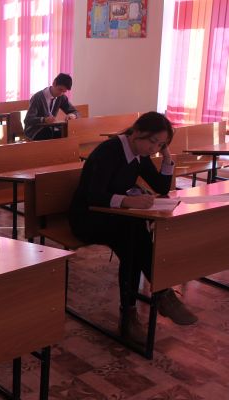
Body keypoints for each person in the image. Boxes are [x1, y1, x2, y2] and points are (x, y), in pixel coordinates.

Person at [68, 111, 198, 344]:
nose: (154, 148)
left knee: (132, 239)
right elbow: (93, 196)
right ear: (137, 132)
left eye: (160, 145)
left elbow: (161, 187)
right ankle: (160, 295)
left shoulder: (139, 153)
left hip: (115, 218)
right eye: (153, 141)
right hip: (87, 218)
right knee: (133, 234)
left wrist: (167, 157)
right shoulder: (109, 151)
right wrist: (128, 201)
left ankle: (131, 314)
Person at [24, 73, 79, 141]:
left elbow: (75, 112)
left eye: (64, 91)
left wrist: (72, 115)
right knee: (52, 135)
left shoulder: (61, 97)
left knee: (67, 133)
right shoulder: (37, 97)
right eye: (60, 89)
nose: (61, 93)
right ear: (54, 83)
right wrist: (44, 120)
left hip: (50, 128)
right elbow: (28, 120)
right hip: (35, 130)